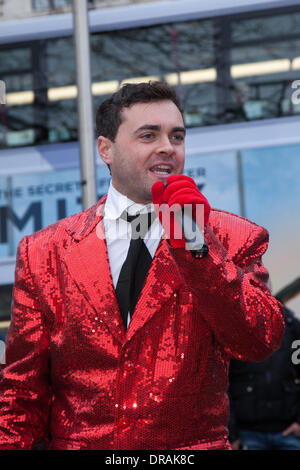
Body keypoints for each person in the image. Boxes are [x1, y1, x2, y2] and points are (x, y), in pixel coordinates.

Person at [0, 81, 284, 450]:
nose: (167, 147)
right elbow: (21, 392)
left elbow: (258, 340)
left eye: (176, 136)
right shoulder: (43, 252)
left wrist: (195, 241)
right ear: (106, 149)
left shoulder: (232, 237)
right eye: (148, 135)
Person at [229, 305, 300, 450]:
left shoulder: (290, 323)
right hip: (247, 435)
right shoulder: (231, 325)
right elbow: (222, 386)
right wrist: (232, 435)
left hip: (289, 432)